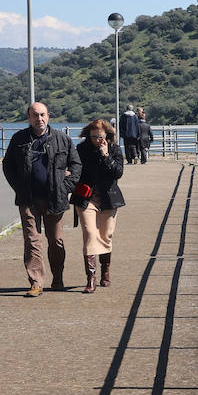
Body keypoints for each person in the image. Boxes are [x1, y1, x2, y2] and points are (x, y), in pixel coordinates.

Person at [2, 102, 80, 297]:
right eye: (35, 115)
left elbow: (76, 165)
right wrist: (18, 187)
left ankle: (58, 278)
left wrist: (65, 187)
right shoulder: (19, 139)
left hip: (55, 199)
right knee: (32, 240)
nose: (39, 119)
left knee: (56, 241)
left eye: (42, 114)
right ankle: (36, 282)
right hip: (28, 199)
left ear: (48, 116)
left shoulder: (62, 139)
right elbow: (8, 165)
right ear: (29, 117)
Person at [71, 119, 126, 293]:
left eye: (100, 136)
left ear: (107, 135)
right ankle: (91, 278)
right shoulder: (81, 149)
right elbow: (75, 170)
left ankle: (105, 272)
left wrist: (106, 155)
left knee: (106, 236)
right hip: (86, 198)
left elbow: (118, 173)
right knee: (89, 234)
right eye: (93, 137)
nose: (97, 140)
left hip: (108, 198)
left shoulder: (114, 149)